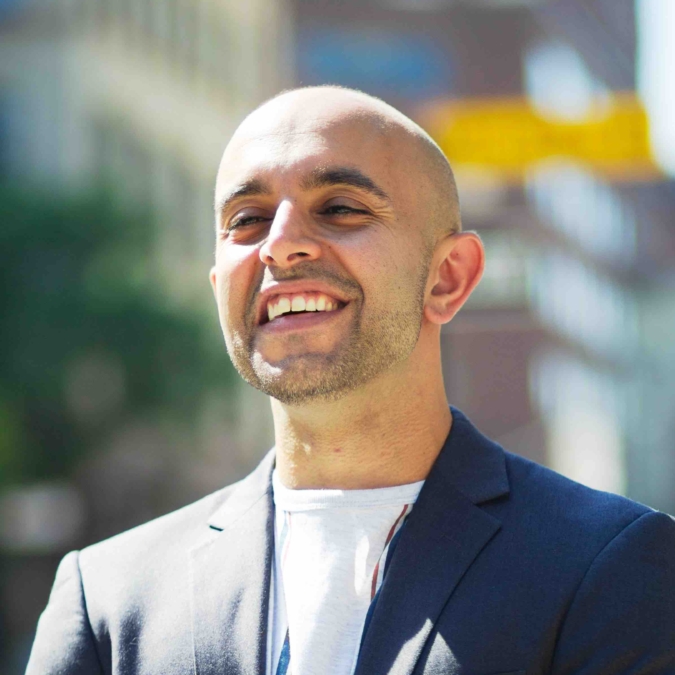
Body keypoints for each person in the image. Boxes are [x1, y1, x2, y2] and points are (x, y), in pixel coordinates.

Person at [27, 86, 675, 675]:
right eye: (246, 220)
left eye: (338, 207)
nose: (279, 246)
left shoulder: (610, 566)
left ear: (447, 276)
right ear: (220, 283)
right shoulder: (106, 597)